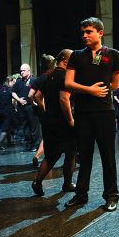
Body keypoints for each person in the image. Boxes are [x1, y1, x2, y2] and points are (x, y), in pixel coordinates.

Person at [64, 17, 119, 212]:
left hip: (105, 112)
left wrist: (102, 92)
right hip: (83, 113)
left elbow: (114, 83)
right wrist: (91, 90)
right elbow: (68, 84)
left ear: (100, 33)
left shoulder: (114, 55)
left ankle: (111, 196)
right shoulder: (76, 56)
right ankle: (80, 195)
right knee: (84, 156)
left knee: (108, 156)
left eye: (88, 31)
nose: (84, 35)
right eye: (82, 32)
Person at [31, 49, 76, 196]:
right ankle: (67, 184)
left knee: (50, 156)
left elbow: (37, 97)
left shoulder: (47, 76)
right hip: (62, 122)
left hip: (49, 121)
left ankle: (37, 182)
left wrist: (45, 112)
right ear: (64, 60)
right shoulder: (64, 77)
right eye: (71, 60)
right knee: (70, 153)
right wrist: (70, 120)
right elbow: (64, 100)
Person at [12, 63, 40, 152]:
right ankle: (29, 144)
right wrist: (19, 100)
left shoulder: (34, 80)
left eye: (23, 70)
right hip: (21, 107)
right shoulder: (19, 81)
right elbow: (13, 92)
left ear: (28, 70)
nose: (21, 72)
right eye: (21, 70)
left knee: (34, 126)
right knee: (25, 126)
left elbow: (39, 93)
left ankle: (35, 145)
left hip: (31, 106)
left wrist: (36, 103)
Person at [0, 75, 18, 149]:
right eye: (13, 82)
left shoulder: (1, 90)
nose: (13, 84)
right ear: (10, 81)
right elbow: (13, 100)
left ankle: (9, 142)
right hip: (8, 112)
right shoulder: (10, 90)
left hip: (1, 112)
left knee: (8, 127)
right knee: (5, 129)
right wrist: (17, 105)